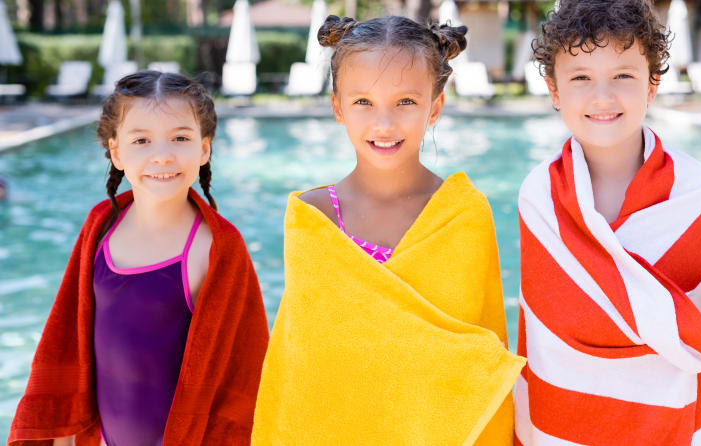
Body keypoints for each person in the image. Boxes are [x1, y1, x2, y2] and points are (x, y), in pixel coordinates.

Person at [251, 15, 525, 445]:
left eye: (405, 102)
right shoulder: (312, 219)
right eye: (363, 102)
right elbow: (303, 370)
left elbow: (478, 362)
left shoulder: (462, 214)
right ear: (337, 106)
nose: (384, 123)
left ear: (435, 106)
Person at [514, 1, 701, 444]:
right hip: (571, 419)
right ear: (553, 90)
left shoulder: (698, 193)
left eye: (623, 76)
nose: (602, 96)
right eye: (580, 78)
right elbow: (559, 323)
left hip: (678, 423)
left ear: (652, 84)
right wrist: (686, 320)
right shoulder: (540, 196)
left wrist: (695, 323)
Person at [8, 71, 269, 446]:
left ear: (205, 148)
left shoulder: (216, 247)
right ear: (117, 153)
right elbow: (70, 337)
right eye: (141, 140)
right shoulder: (101, 225)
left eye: (180, 138)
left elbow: (242, 369)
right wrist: (63, 434)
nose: (161, 155)